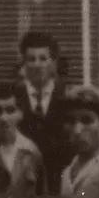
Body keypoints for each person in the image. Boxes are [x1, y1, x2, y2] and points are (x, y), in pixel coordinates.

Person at [15, 30, 72, 186]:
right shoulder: (13, 98)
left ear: (53, 62)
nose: (37, 65)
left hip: (59, 179)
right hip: (23, 181)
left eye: (43, 58)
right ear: (24, 63)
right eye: (31, 59)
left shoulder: (68, 96)